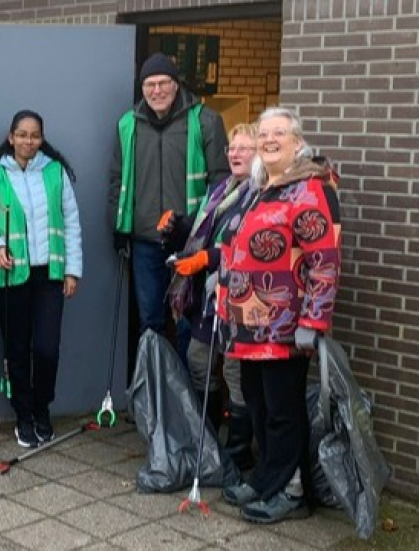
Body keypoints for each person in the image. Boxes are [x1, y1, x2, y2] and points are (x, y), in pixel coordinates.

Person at [217, 107, 341, 524]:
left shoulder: (309, 190)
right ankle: (267, 477)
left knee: (283, 409)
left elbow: (323, 261)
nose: (269, 140)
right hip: (248, 324)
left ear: (297, 142)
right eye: (264, 133)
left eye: (279, 134)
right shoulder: (261, 187)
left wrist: (314, 321)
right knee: (258, 404)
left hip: (285, 326)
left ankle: (291, 491)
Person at [0, 110, 82, 448]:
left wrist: (72, 269)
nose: (28, 141)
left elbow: (71, 222)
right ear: (11, 137)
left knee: (47, 349)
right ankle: (23, 415)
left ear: (41, 138)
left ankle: (41, 409)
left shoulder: (55, 172)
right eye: (22, 135)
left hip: (49, 273)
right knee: (17, 348)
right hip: (10, 274)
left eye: (34, 135)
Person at [108, 53, 230, 350]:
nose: (157, 90)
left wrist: (196, 222)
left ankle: (185, 393)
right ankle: (155, 390)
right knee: (150, 323)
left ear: (176, 85)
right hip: (145, 241)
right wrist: (118, 225)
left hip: (190, 242)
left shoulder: (205, 120)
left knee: (187, 323)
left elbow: (221, 181)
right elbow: (116, 179)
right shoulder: (128, 124)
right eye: (150, 84)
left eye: (163, 82)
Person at [161, 123, 258, 469]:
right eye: (232, 147)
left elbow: (245, 244)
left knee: (235, 372)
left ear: (259, 154)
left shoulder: (260, 196)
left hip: (241, 298)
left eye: (244, 147)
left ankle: (238, 452)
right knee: (200, 360)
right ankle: (209, 438)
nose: (235, 153)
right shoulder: (220, 190)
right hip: (208, 294)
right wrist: (177, 229)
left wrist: (209, 258)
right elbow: (204, 230)